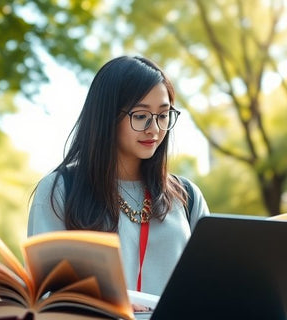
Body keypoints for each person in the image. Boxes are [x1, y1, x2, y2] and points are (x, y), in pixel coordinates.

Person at [28, 55, 209, 297]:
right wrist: (105, 305)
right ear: (107, 116)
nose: (154, 128)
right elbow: (45, 295)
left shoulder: (187, 197)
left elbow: (211, 285)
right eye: (140, 115)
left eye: (163, 115)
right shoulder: (61, 190)